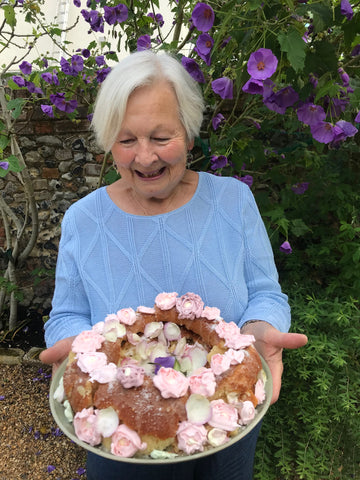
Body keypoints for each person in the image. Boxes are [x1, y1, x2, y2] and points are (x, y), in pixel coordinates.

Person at [40, 50, 308, 480]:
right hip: (123, 436)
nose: (144, 158)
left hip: (225, 421)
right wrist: (77, 352)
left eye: (161, 137)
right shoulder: (83, 220)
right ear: (110, 142)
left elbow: (265, 292)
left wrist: (261, 329)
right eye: (127, 141)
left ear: (188, 130)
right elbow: (67, 313)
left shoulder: (234, 201)